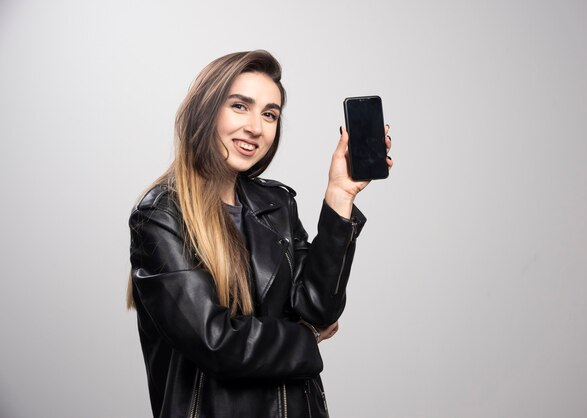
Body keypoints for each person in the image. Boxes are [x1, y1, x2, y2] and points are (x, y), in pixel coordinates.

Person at [127, 50, 392, 418]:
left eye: (269, 114)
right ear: (205, 111)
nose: (256, 127)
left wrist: (339, 195)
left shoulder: (277, 203)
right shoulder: (161, 216)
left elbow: (318, 307)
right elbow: (217, 343)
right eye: (240, 106)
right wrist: (307, 337)